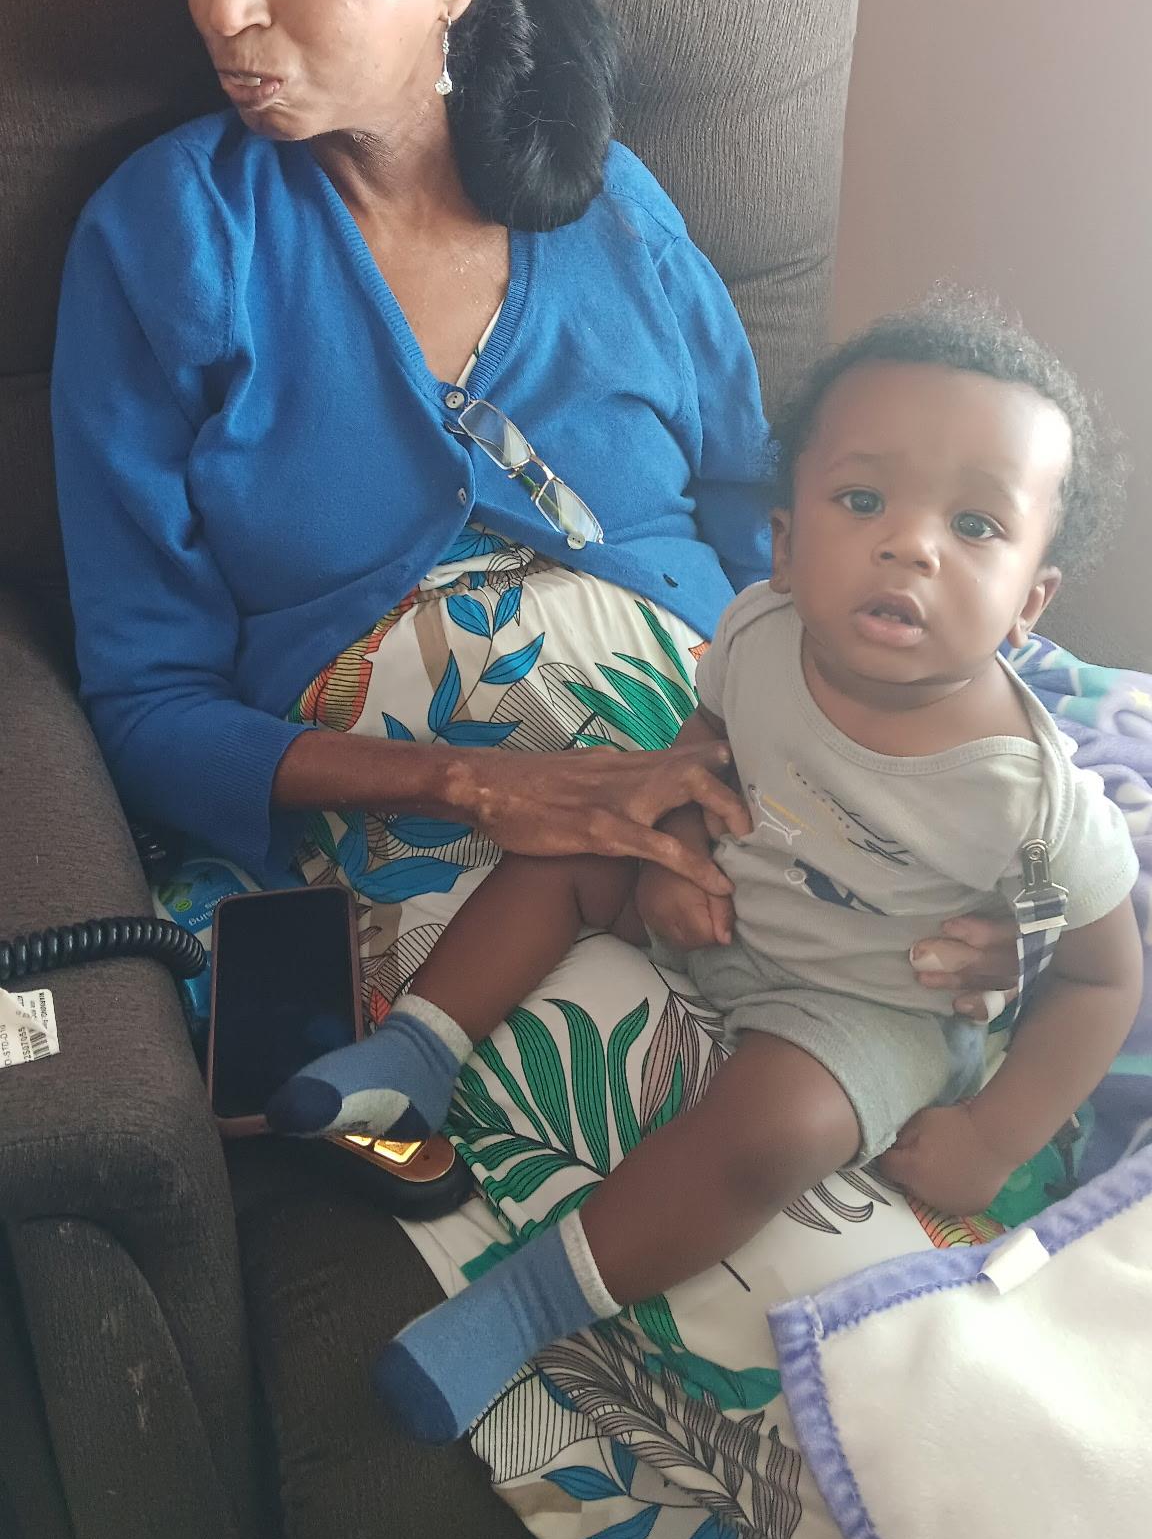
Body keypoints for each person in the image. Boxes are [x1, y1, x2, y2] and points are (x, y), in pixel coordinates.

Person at [52, 0, 1016, 1080]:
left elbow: (789, 541)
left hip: (748, 779)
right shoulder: (169, 241)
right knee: (703, 1103)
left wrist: (933, 801)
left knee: (998, 993)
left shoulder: (617, 213)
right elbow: (147, 708)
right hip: (444, 865)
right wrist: (482, 784)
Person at [265, 298, 1141, 1444]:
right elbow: (705, 741)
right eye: (862, 500)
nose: (910, 545)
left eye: (974, 524)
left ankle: (520, 1309)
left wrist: (994, 1137)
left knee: (776, 1129)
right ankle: (416, 1051)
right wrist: (677, 846)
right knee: (572, 846)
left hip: (863, 1004)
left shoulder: (1025, 790)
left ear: (1030, 601)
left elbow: (1101, 977)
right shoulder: (759, 629)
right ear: (784, 541)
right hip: (727, 893)